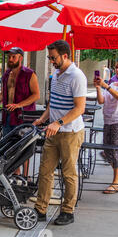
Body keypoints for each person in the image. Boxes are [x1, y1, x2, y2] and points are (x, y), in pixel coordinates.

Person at [33, 40, 87, 226]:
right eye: (49, 58)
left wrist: (58, 122)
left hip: (70, 132)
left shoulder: (77, 76)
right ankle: (40, 209)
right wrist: (43, 118)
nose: (51, 61)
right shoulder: (55, 74)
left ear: (65, 55)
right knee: (45, 171)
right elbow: (53, 102)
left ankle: (67, 211)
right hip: (53, 131)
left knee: (68, 173)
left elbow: (80, 108)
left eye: (53, 58)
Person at [0, 47, 40, 175]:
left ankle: (25, 177)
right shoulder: (6, 74)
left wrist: (18, 105)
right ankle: (16, 175)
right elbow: (1, 95)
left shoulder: (29, 74)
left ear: (20, 58)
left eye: (13, 57)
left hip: (23, 117)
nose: (10, 59)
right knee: (10, 148)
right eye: (9, 57)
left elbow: (36, 95)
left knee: (23, 148)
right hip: (8, 116)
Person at [94, 61, 118, 194]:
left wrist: (105, 86)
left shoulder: (111, 86)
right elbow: (101, 101)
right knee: (107, 150)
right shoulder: (112, 84)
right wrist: (99, 87)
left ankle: (116, 182)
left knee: (115, 151)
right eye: (116, 67)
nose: (117, 69)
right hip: (108, 120)